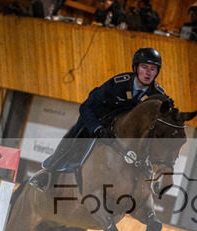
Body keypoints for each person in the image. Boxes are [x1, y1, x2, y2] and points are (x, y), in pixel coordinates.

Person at [31, 48, 167, 190]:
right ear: (135, 68)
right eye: (144, 67)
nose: (148, 73)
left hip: (127, 132)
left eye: (153, 69)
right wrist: (97, 128)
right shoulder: (118, 84)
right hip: (98, 120)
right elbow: (86, 107)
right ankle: (48, 173)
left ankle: (150, 182)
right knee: (75, 134)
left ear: (157, 72)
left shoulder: (158, 95)